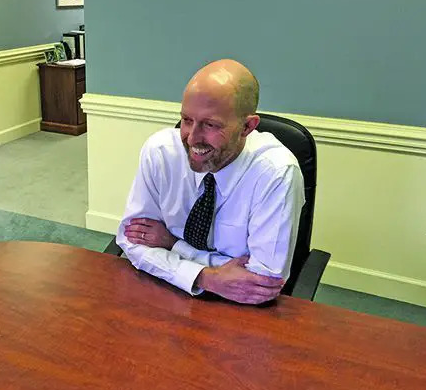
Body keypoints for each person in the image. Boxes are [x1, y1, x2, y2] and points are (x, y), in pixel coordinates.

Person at [116, 59, 305, 305]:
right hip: (168, 294)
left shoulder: (276, 173)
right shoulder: (161, 151)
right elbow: (132, 239)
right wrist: (207, 278)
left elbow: (260, 282)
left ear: (247, 126)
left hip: (238, 308)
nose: (193, 138)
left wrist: (173, 245)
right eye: (186, 120)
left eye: (210, 125)